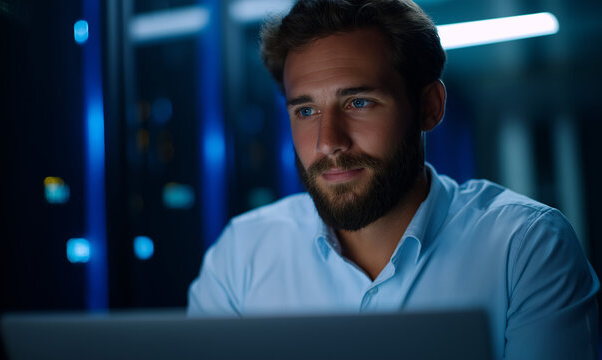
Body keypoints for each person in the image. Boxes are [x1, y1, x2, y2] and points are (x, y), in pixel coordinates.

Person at [187, 0, 599, 358]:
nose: (328, 142)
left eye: (359, 102)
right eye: (306, 111)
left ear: (429, 107)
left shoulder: (524, 248)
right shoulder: (240, 256)